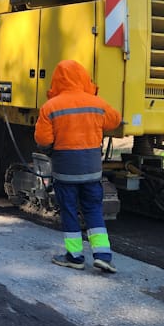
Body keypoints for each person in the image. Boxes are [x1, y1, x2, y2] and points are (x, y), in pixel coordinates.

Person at [34, 60, 122, 273]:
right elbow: (115, 121)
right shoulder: (96, 103)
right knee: (93, 209)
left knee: (69, 211)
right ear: (83, 78)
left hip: (66, 171)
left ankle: (75, 257)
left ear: (57, 81)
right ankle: (103, 256)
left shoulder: (50, 107)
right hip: (92, 170)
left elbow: (43, 139)